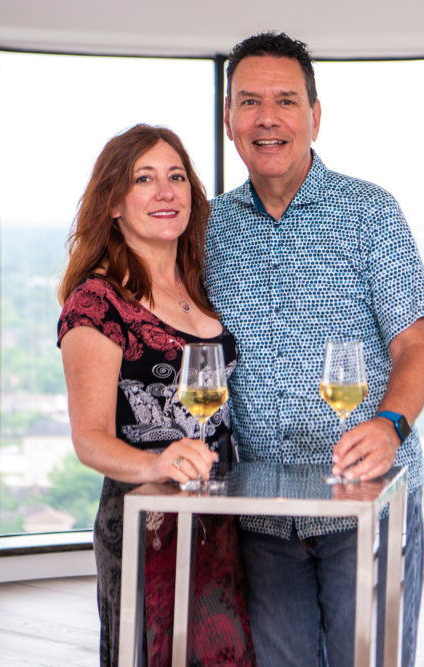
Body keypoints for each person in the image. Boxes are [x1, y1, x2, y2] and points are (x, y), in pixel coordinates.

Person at [204, 32, 424, 666]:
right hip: (261, 512)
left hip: (366, 505)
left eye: (285, 100)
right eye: (249, 102)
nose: (267, 118)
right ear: (229, 120)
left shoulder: (371, 211)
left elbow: (417, 345)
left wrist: (391, 424)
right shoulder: (209, 228)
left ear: (315, 114)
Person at [57, 124, 255, 667]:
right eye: (144, 179)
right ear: (115, 203)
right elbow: (90, 439)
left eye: (176, 177)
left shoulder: (199, 284)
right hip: (148, 522)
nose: (166, 192)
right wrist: (157, 461)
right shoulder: (97, 303)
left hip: (220, 518)